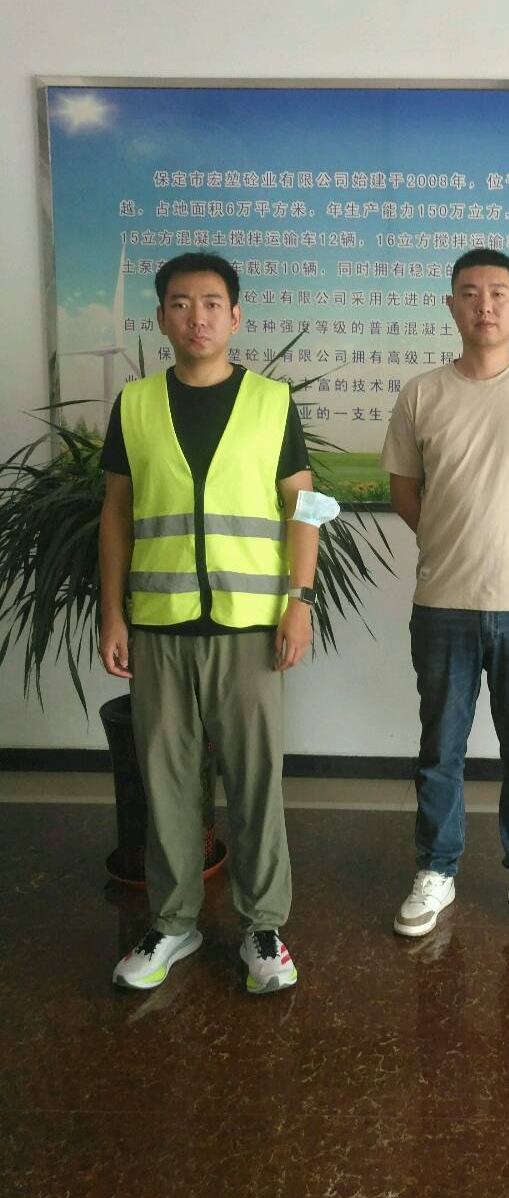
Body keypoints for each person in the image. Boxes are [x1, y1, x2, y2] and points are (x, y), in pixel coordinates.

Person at [99, 252, 318, 994]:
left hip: (250, 628)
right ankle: (173, 923)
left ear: (236, 316)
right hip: (160, 626)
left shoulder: (271, 402)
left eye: (213, 303)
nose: (198, 317)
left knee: (256, 784)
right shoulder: (135, 405)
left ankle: (263, 927)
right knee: (165, 784)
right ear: (161, 317)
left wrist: (300, 600)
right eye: (182, 303)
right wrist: (112, 613)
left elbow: (305, 506)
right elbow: (117, 513)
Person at [382, 247, 509, 940]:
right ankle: (436, 870)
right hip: (444, 604)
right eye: (469, 293)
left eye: (498, 292)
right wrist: (454, 543)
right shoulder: (422, 394)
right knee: (440, 749)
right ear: (451, 305)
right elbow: (405, 493)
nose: (485, 305)